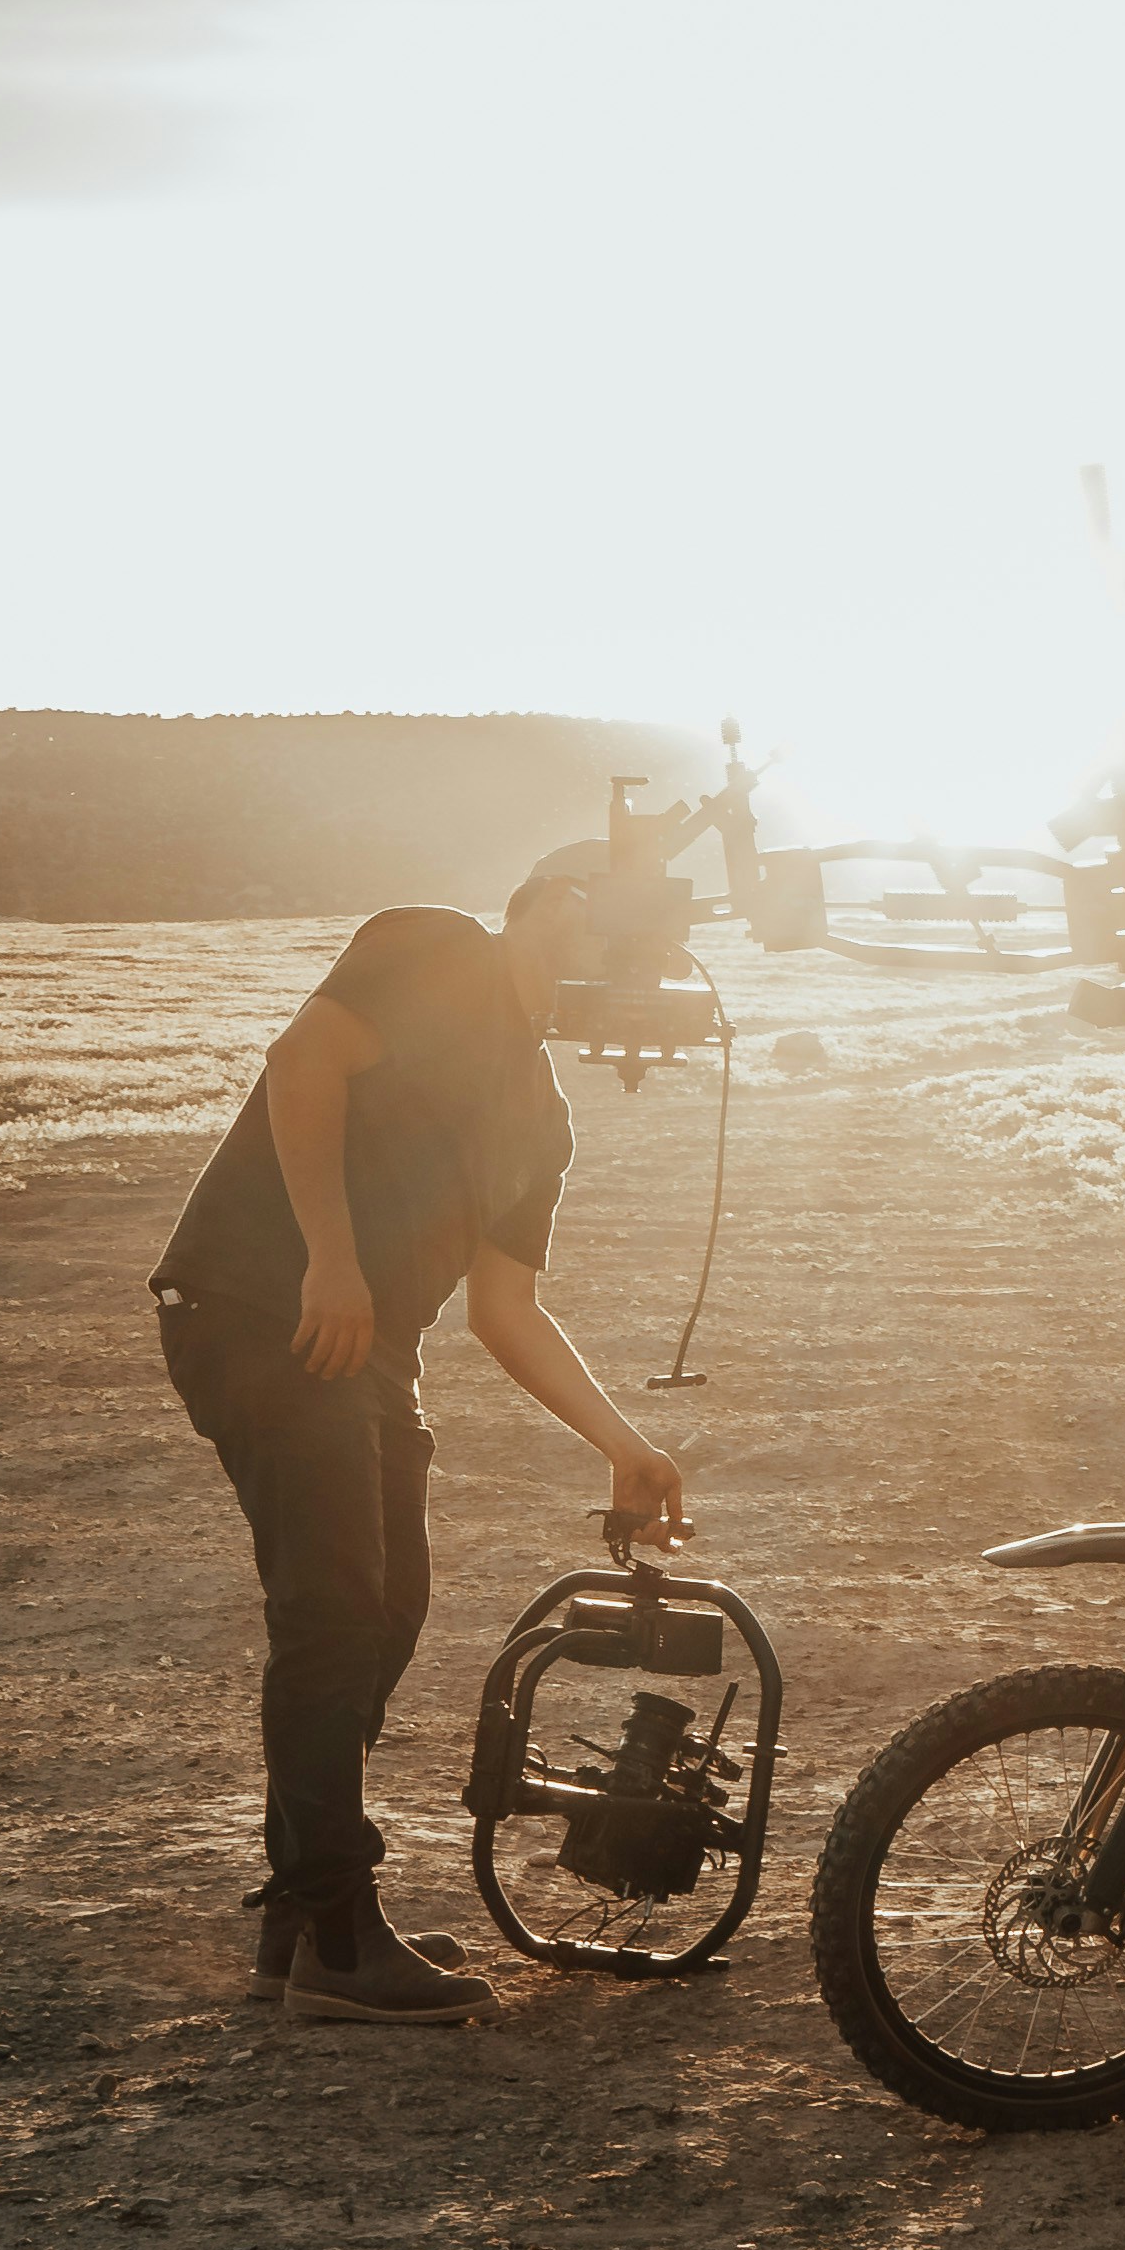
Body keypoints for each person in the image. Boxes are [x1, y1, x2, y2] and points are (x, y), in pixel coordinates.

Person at [152, 846, 694, 2025]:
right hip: (258, 1309)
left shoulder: (542, 1116)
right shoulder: (435, 945)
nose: (619, 968)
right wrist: (332, 1259)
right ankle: (338, 1936)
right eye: (609, 932)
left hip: (368, 1357)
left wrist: (620, 1442)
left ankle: (306, 1917)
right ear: (550, 906)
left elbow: (508, 1309)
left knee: (389, 1609)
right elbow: (303, 1062)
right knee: (334, 1611)